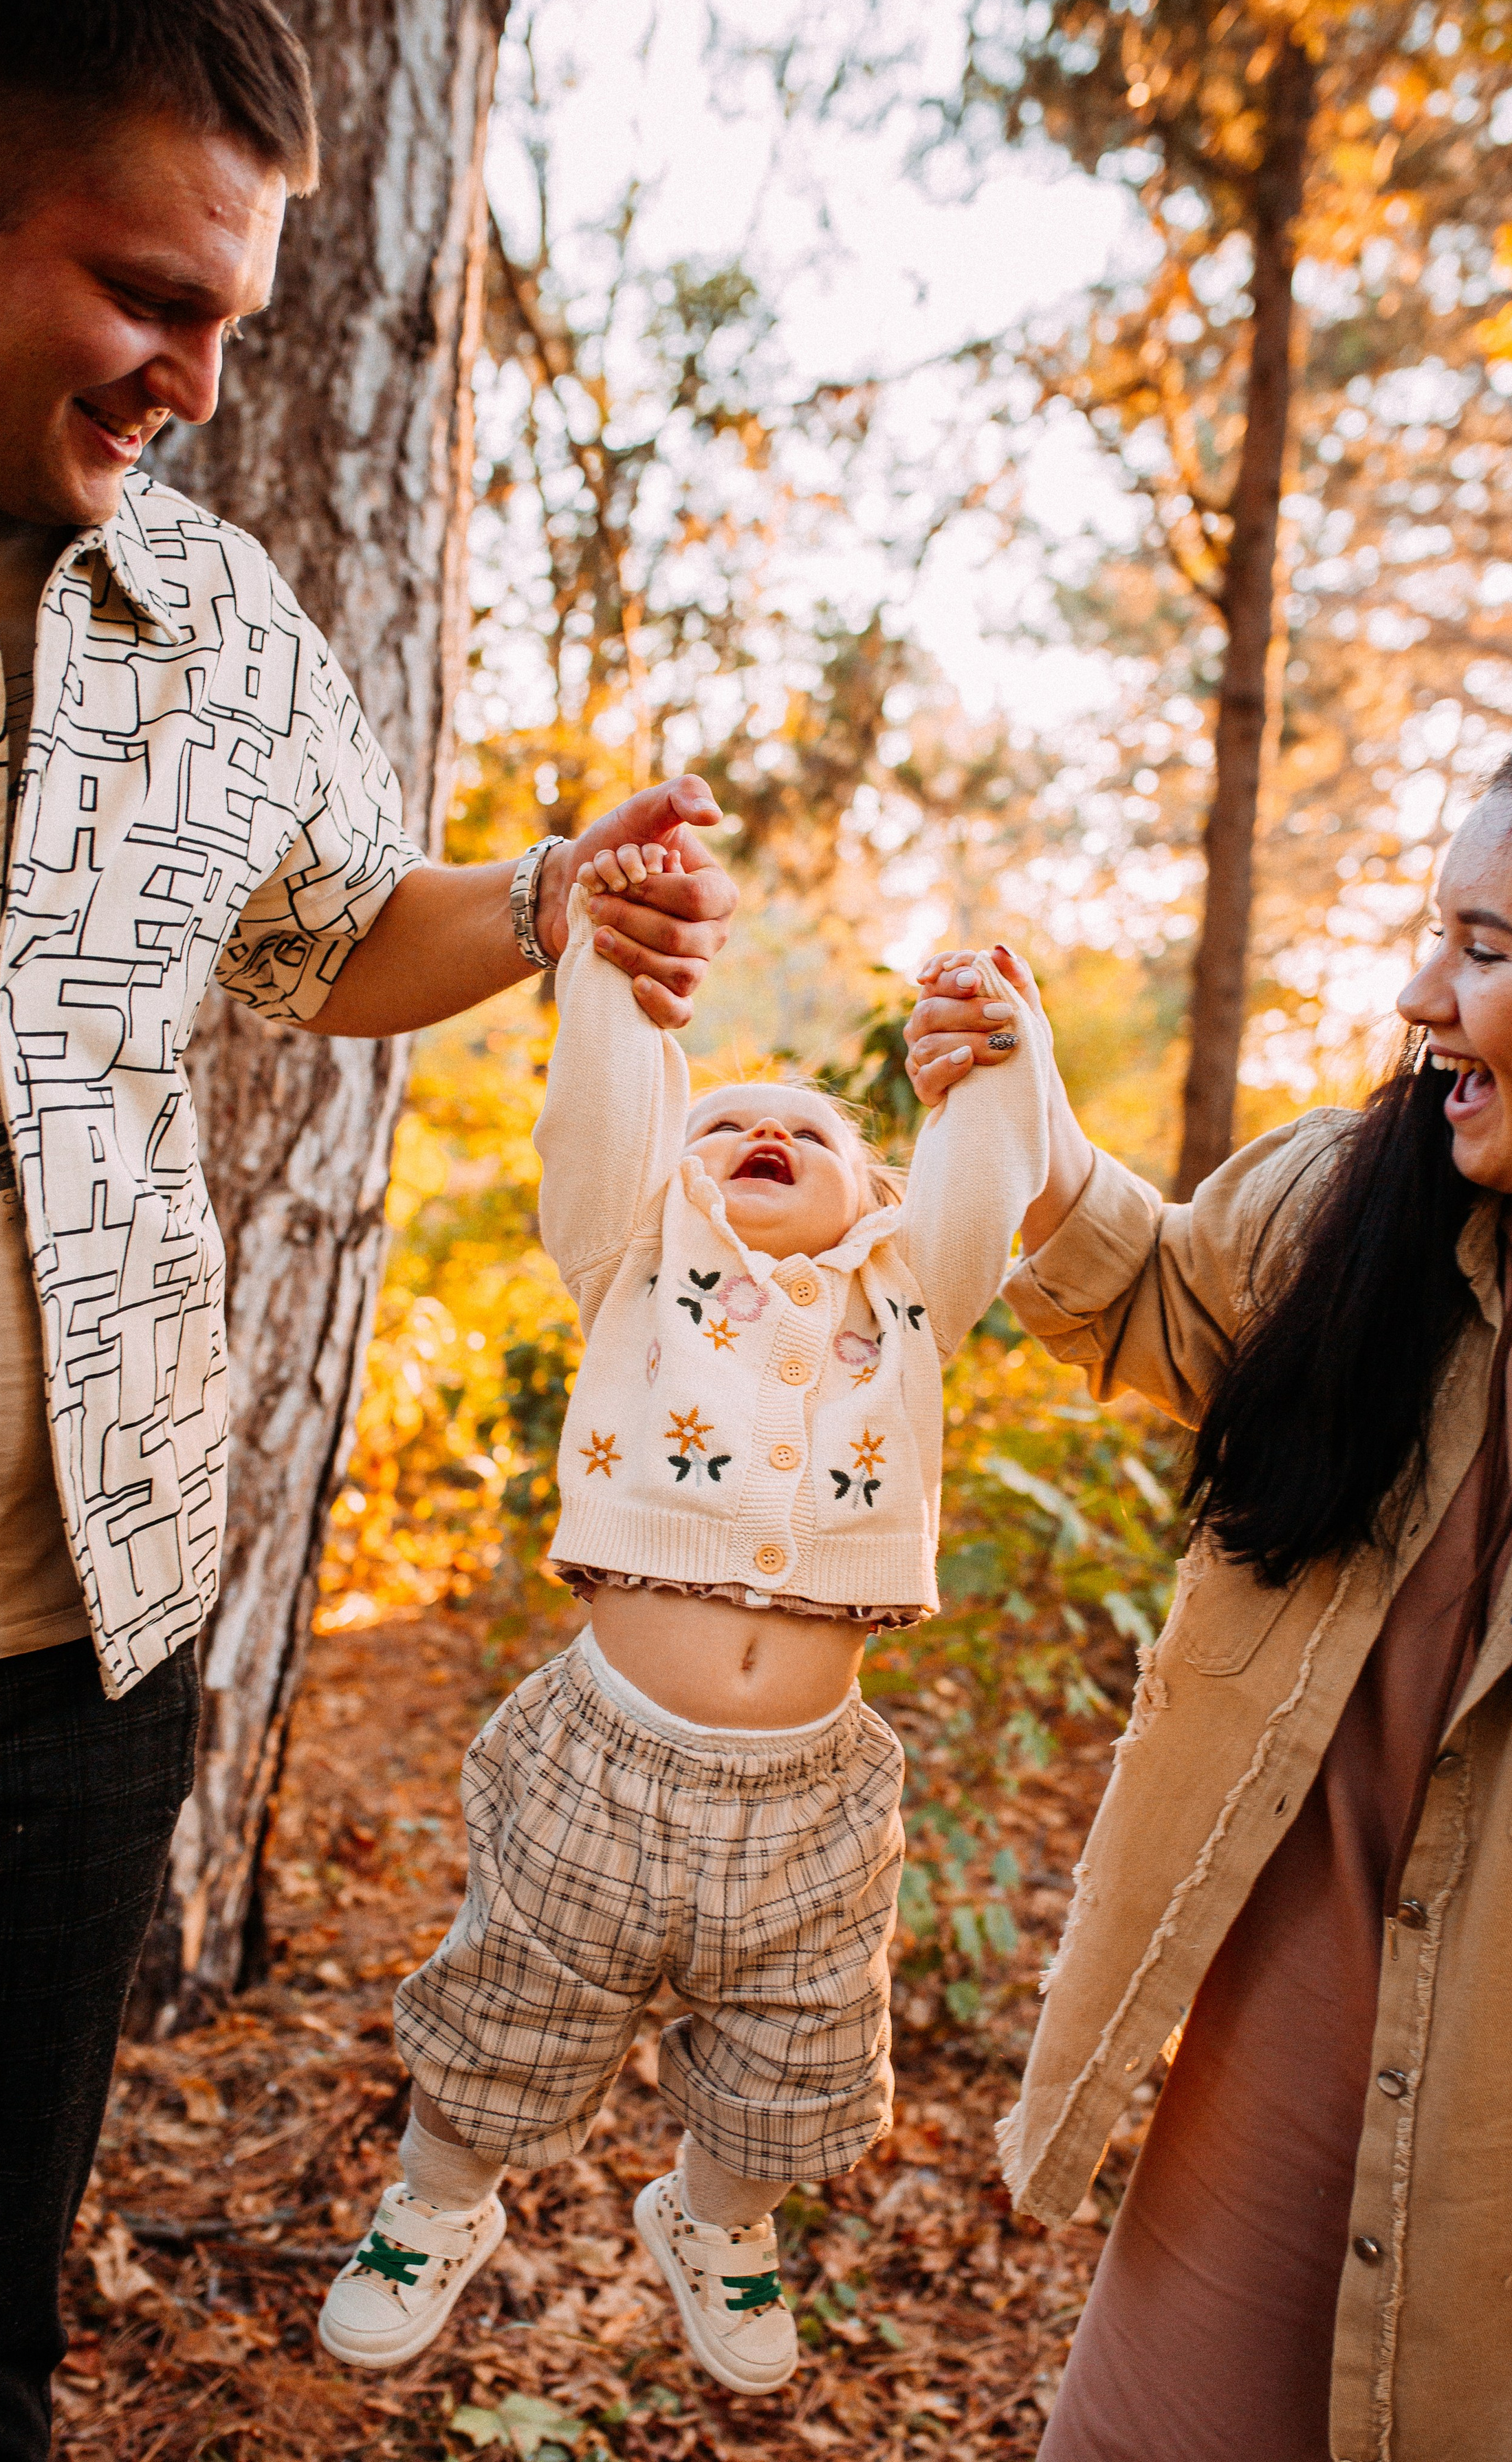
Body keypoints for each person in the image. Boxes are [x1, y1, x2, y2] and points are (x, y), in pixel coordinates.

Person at [0, 4, 736, 2454]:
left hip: (75, 1661)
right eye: (154, 296)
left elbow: (334, 934)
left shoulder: (224, 619)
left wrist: (546, 897)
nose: (204, 384)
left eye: (240, 319)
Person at [903, 717, 1512, 2461]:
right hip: (1259, 2115)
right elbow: (1158, 1297)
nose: (1416, 996)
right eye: (1427, 933)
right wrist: (1029, 1123)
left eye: (1480, 947)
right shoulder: (1351, 1206)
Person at [314, 845, 1051, 2389]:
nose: (766, 1133)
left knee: (799, 2049)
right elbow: (604, 1114)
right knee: (514, 2001)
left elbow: (986, 1179)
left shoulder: (907, 1302)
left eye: (808, 1133)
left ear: (877, 1196)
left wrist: (1001, 1056)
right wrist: (610, 972)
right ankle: (435, 2200)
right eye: (726, 1125)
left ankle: (716, 2219)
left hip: (811, 1796)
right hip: (605, 1755)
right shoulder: (637, 1262)